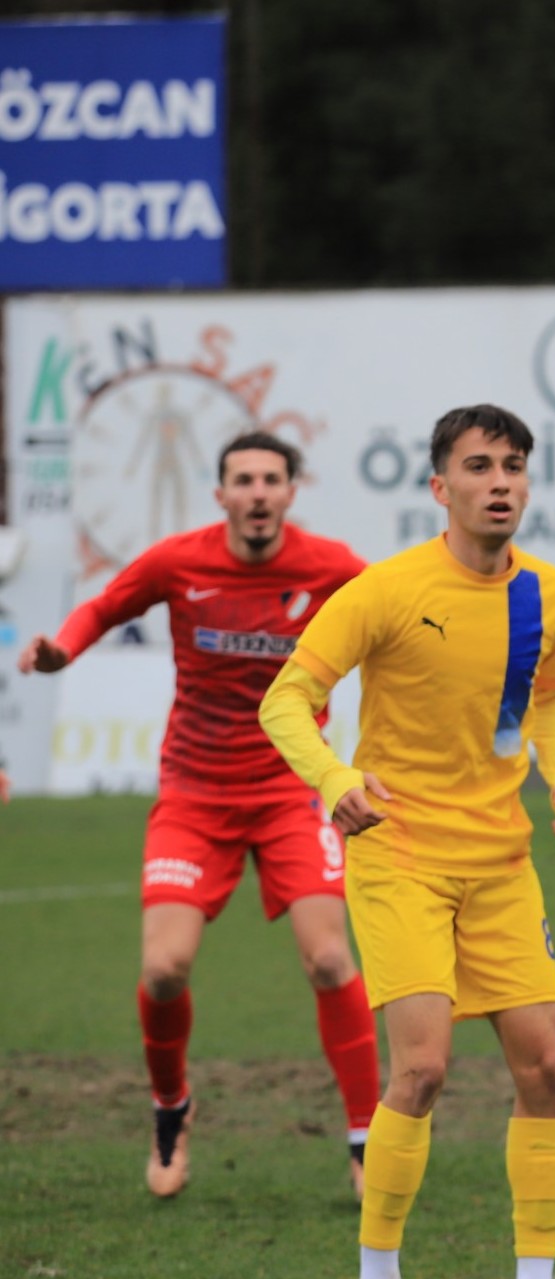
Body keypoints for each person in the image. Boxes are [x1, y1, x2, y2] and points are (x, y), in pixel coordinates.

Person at [259, 405, 555, 1279]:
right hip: (398, 851)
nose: (501, 481)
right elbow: (287, 696)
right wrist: (334, 781)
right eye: (478, 465)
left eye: (514, 465)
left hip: (501, 860)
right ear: (439, 486)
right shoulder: (388, 589)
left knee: (550, 1070)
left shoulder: (551, 593)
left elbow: (548, 700)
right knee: (425, 1070)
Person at [18, 431, 376, 1200]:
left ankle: (363, 1137)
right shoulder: (179, 561)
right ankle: (171, 1108)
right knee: (163, 969)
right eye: (242, 480)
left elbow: (399, 618)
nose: (256, 492)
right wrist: (63, 651)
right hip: (194, 792)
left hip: (291, 790)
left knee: (329, 959)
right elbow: (106, 606)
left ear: (289, 492)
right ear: (220, 495)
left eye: (269, 480)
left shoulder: (330, 566)